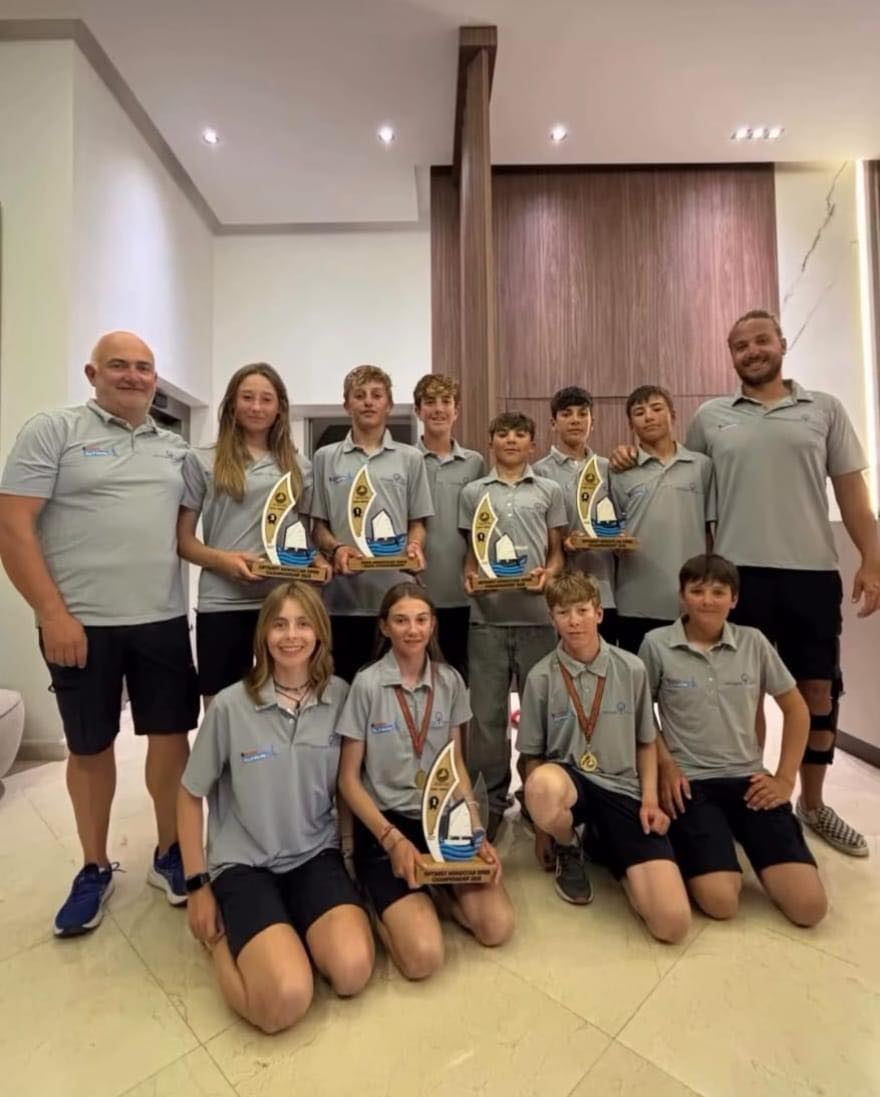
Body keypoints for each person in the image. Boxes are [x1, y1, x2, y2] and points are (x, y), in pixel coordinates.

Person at [612, 309, 880, 856]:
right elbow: (677, 470)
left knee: (817, 690)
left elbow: (852, 492)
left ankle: (812, 802)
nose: (753, 351)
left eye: (761, 341)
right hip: (736, 577)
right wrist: (626, 454)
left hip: (811, 572)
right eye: (741, 345)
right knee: (740, 694)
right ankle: (744, 797)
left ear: (780, 343)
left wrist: (872, 559)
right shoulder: (711, 417)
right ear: (731, 355)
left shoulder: (825, 409)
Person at [0, 331, 199, 936]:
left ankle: (170, 852)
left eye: (144, 367)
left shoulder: (176, 450)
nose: (133, 376)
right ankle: (93, 866)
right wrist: (51, 613)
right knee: (89, 747)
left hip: (162, 620)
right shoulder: (53, 431)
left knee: (171, 738)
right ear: (93, 374)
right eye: (119, 366)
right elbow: (12, 525)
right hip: (80, 626)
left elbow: (187, 532)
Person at [177, 581, 373, 1033]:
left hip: (313, 854)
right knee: (284, 1001)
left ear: (319, 633)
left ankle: (291, 925)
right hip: (245, 863)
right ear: (263, 634)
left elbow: (345, 786)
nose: (291, 636)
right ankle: (222, 944)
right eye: (280, 625)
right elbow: (188, 795)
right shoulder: (230, 707)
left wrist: (349, 855)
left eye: (303, 624)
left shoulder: (340, 697)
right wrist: (197, 887)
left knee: (353, 970)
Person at [639, 554, 827, 927]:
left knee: (810, 908)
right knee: (721, 901)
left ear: (734, 599)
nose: (707, 600)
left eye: (718, 592)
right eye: (697, 591)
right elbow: (642, 716)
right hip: (691, 783)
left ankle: (742, 836)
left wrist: (784, 778)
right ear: (682, 597)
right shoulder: (656, 644)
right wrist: (667, 765)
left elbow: (797, 710)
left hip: (750, 780)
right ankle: (706, 841)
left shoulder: (754, 642)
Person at [337, 583, 514, 980]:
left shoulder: (450, 681)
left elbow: (456, 764)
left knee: (496, 927)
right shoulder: (366, 684)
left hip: (440, 821)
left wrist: (474, 829)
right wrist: (391, 840)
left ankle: (439, 894)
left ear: (433, 625)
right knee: (423, 959)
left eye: (421, 620)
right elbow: (348, 780)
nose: (412, 630)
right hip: (385, 825)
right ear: (384, 627)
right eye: (401, 621)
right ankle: (375, 900)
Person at [518, 573, 691, 942]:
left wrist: (649, 801)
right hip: (571, 783)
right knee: (543, 786)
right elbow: (532, 757)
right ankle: (569, 844)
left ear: (599, 613)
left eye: (582, 611)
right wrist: (543, 827)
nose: (574, 621)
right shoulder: (540, 677)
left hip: (622, 787)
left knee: (671, 923)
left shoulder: (632, 669)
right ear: (551, 619)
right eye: (563, 613)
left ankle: (606, 846)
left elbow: (646, 742)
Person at [177, 363, 329, 704]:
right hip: (222, 601)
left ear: (280, 408)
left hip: (284, 602)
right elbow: (184, 542)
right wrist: (224, 561)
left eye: (266, 399)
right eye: (247, 397)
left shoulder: (300, 466)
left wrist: (318, 560)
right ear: (232, 403)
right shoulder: (202, 460)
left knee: (288, 699)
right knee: (222, 705)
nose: (256, 407)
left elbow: (306, 536)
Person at [459, 412, 567, 837]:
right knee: (486, 720)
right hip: (487, 620)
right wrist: (470, 577)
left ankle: (540, 800)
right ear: (490, 442)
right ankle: (489, 802)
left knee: (541, 715)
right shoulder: (474, 492)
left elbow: (557, 552)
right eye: (502, 434)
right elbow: (472, 552)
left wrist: (549, 575)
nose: (511, 440)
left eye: (520, 434)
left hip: (538, 619)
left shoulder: (549, 490)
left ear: (532, 444)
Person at [310, 365, 434, 683]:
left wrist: (415, 546)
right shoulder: (324, 458)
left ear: (388, 404)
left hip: (397, 603)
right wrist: (337, 548)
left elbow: (418, 522)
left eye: (376, 395)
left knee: (396, 693)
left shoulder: (410, 459)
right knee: (343, 692)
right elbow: (318, 528)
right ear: (346, 404)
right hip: (341, 602)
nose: (368, 402)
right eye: (359, 395)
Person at [608, 385, 715, 654]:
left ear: (673, 415)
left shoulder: (702, 466)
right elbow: (610, 528)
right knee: (639, 678)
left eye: (656, 409)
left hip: (690, 601)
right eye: (639, 412)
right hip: (634, 601)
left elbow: (711, 533)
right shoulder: (618, 471)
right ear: (630, 424)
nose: (649, 417)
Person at [413, 373, 486, 681]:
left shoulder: (475, 463)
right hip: (415, 591)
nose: (438, 409)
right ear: (418, 410)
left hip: (462, 593)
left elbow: (482, 527)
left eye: (446, 402)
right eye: (430, 402)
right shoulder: (406, 460)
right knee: (416, 678)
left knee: (458, 681)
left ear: (457, 410)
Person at [533, 387, 619, 644]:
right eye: (566, 414)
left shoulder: (609, 468)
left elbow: (621, 519)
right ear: (553, 423)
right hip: (558, 591)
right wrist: (563, 542)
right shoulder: (538, 472)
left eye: (583, 414)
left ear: (593, 422)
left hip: (605, 589)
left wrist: (620, 538)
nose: (575, 420)